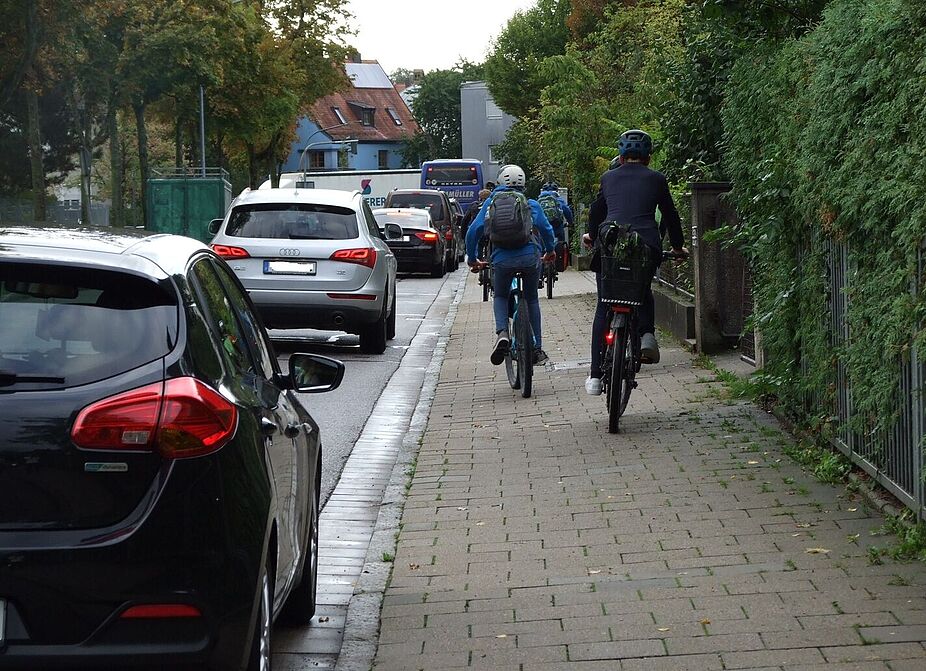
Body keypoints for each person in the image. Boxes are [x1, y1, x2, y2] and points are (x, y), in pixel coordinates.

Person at [583, 129, 687, 396]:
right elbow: (671, 216)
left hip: (610, 244)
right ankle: (646, 336)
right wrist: (677, 247)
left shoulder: (608, 178)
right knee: (642, 291)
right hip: (646, 246)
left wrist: (592, 236)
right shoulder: (657, 179)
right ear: (648, 157)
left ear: (620, 155)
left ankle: (595, 376)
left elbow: (597, 211)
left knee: (604, 305)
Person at [466, 165, 557, 365]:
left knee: (500, 295)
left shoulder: (491, 203)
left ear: (499, 183)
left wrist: (472, 258)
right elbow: (545, 228)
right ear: (524, 183)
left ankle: (502, 333)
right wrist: (550, 250)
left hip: (501, 260)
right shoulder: (530, 203)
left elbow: (474, 231)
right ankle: (537, 349)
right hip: (530, 258)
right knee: (532, 299)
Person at [537, 181, 574, 279]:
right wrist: (570, 222)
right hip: (557, 227)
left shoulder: (539, 200)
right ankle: (558, 265)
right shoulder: (558, 199)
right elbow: (567, 211)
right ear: (556, 191)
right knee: (561, 243)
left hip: (543, 228)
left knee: (540, 248)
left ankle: (539, 276)